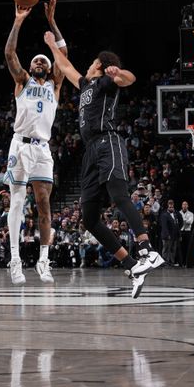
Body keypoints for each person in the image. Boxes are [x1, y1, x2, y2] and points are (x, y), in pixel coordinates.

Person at [43, 31, 163, 299]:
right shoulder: (86, 85)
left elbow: (129, 80)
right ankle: (132, 266)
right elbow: (65, 66)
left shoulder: (106, 83)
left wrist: (118, 72)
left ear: (99, 64)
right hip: (90, 152)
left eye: (91, 62)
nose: (87, 65)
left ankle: (147, 250)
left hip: (108, 142)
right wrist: (52, 45)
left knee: (120, 196)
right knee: (89, 219)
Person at [3, 0, 66, 285]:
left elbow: (63, 54)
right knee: (17, 201)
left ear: (50, 67)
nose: (40, 62)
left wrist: (52, 21)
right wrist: (18, 22)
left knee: (43, 203)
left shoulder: (55, 85)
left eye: (44, 60)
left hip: (43, 148)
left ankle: (43, 260)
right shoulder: (23, 82)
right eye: (36, 60)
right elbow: (10, 54)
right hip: (21, 145)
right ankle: (15, 260)